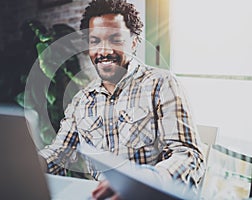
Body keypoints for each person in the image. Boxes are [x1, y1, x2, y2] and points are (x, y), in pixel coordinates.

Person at [38, 0, 205, 199]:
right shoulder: (81, 100)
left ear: (134, 43)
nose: (104, 51)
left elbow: (188, 155)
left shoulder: (161, 84)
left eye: (115, 40)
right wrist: (32, 165)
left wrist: (145, 181)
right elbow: (59, 153)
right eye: (95, 41)